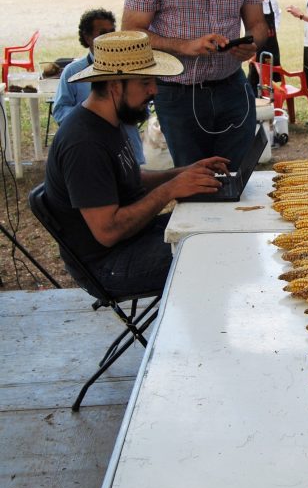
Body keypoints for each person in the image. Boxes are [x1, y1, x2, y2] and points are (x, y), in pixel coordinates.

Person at [45, 31, 230, 298]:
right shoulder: (83, 143)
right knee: (215, 253)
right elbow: (108, 231)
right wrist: (170, 190)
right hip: (108, 264)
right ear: (115, 86)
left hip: (133, 240)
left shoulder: (110, 121)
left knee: (215, 226)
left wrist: (182, 174)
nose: (154, 90)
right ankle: (194, 337)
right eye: (145, 82)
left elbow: (128, 180)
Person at [121, 0, 268, 168]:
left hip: (232, 88)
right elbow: (131, 33)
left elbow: (258, 25)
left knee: (237, 177)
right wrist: (184, 46)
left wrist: (252, 44)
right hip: (177, 94)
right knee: (193, 183)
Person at [52, 8, 145, 164]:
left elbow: (143, 107)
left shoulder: (129, 66)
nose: (109, 37)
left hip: (128, 151)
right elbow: (60, 110)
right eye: (102, 33)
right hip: (93, 151)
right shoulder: (73, 71)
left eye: (112, 31)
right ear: (87, 38)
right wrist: (92, 115)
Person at [248, 0, 282, 94]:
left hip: (272, 44)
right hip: (258, 45)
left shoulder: (273, 0)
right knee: (255, 75)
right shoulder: (251, 2)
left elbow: (278, 14)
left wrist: (274, 29)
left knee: (272, 74)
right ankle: (255, 103)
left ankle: (272, 101)